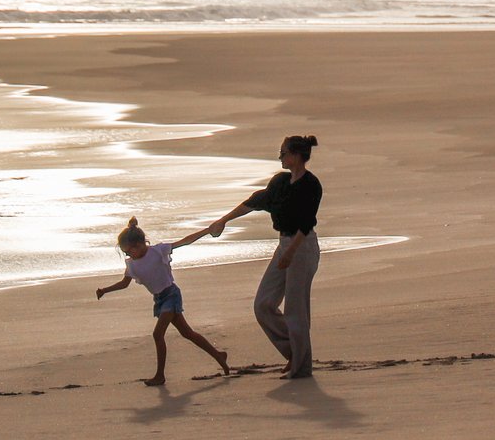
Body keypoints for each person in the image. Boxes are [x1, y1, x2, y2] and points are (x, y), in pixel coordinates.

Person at [204, 134, 324, 379]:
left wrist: (290, 253)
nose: (280, 157)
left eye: (283, 153)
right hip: (284, 244)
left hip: (302, 247)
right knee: (263, 304)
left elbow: (306, 222)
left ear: (296, 156)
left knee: (295, 309)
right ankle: (294, 351)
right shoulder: (280, 182)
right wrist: (223, 220)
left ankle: (301, 368)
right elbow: (256, 201)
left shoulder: (311, 185)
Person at [95, 216, 230, 387]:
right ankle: (218, 355)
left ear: (139, 245)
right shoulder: (132, 265)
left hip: (171, 295)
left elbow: (184, 241)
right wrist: (104, 290)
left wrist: (206, 231)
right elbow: (124, 283)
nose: (128, 255)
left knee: (157, 334)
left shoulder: (158, 251)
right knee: (187, 333)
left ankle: (160, 375)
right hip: (159, 300)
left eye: (128, 251)